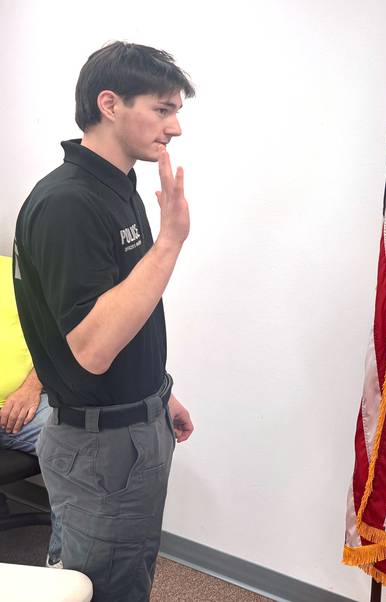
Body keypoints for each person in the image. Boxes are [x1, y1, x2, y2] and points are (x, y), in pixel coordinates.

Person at [12, 41, 196, 601]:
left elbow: (126, 309)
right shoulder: (68, 202)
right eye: (163, 109)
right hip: (100, 448)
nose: (176, 127)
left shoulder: (119, 187)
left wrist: (158, 393)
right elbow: (91, 347)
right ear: (110, 103)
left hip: (134, 425)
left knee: (120, 572)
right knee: (101, 587)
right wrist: (170, 243)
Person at [0, 254, 62, 567]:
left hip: (22, 405)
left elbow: (52, 335)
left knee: (77, 441)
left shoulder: (14, 274)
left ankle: (64, 563)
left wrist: (30, 387)